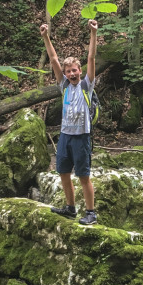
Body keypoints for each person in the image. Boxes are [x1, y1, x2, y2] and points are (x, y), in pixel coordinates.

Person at [40, 18, 99, 225]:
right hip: (65, 135)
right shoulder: (64, 87)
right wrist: (46, 36)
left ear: (80, 71)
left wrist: (93, 33)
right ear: (65, 74)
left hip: (82, 136)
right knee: (63, 172)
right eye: (69, 71)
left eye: (75, 70)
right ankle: (71, 208)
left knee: (83, 176)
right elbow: (54, 58)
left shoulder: (86, 86)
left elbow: (91, 57)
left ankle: (91, 213)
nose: (72, 74)